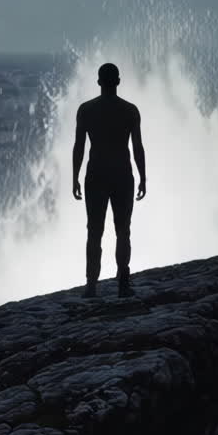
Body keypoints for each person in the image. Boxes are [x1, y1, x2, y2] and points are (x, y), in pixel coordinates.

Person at [72, 63, 146, 297]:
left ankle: (91, 285)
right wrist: (143, 177)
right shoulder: (130, 111)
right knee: (123, 230)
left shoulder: (86, 110)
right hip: (122, 175)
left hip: (96, 175)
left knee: (94, 231)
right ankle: (123, 283)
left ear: (99, 82)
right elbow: (137, 147)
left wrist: (74, 177)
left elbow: (79, 147)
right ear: (118, 81)